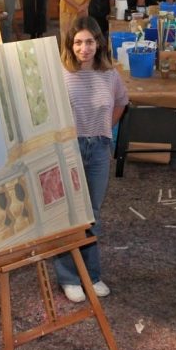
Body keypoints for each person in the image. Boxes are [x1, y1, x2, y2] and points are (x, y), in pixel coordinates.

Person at [54, 17, 129, 302]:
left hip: (98, 149)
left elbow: (121, 102)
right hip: (69, 148)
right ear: (70, 45)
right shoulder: (61, 73)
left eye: (89, 42)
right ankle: (69, 278)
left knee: (92, 214)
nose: (83, 48)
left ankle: (92, 275)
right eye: (77, 42)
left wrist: (105, 129)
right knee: (69, 214)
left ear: (98, 43)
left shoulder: (109, 74)